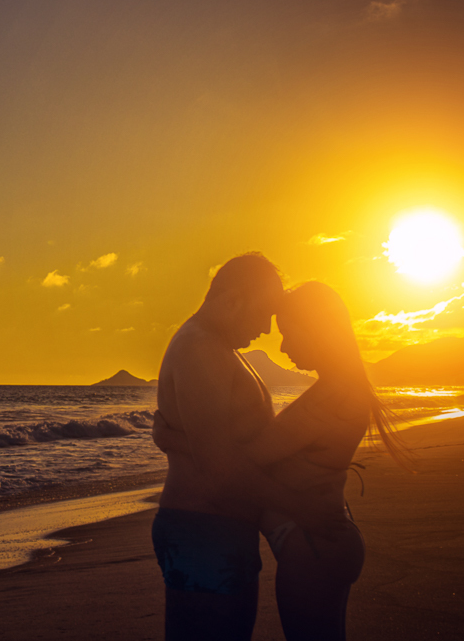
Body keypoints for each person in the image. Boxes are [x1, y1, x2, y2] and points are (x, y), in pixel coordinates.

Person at [154, 281, 412, 641]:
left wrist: (171, 438)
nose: (283, 347)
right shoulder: (338, 390)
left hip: (314, 546)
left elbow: (247, 457)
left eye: (290, 334)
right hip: (320, 543)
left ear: (318, 331)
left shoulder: (332, 397)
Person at [152, 253, 345, 641]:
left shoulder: (219, 349)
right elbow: (221, 471)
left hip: (216, 530)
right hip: (202, 529)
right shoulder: (200, 349)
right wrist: (300, 507)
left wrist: (172, 439)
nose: (267, 328)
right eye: (264, 314)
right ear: (233, 300)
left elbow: (227, 445)